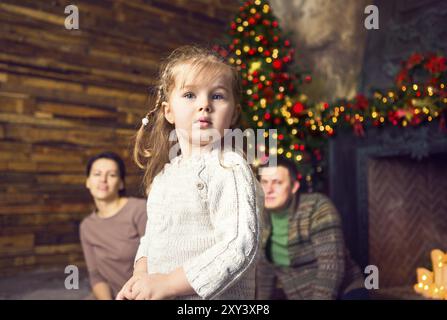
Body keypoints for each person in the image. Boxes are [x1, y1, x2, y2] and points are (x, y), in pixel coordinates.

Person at [116, 45, 264, 300]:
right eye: (189, 95)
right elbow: (152, 237)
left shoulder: (229, 168)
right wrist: (141, 275)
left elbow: (239, 245)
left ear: (234, 114)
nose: (204, 105)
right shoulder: (164, 176)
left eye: (217, 96)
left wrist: (168, 284)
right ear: (168, 111)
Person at [256, 155, 367, 300]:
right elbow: (265, 273)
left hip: (345, 291)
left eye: (277, 182)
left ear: (294, 186)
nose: (268, 189)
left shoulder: (317, 207)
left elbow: (331, 268)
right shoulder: (260, 218)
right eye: (264, 182)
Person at [80, 151, 147, 300]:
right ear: (88, 181)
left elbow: (158, 261)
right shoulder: (87, 226)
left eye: (111, 175)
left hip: (145, 294)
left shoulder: (139, 210)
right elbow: (96, 275)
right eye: (97, 174)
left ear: (121, 183)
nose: (103, 180)